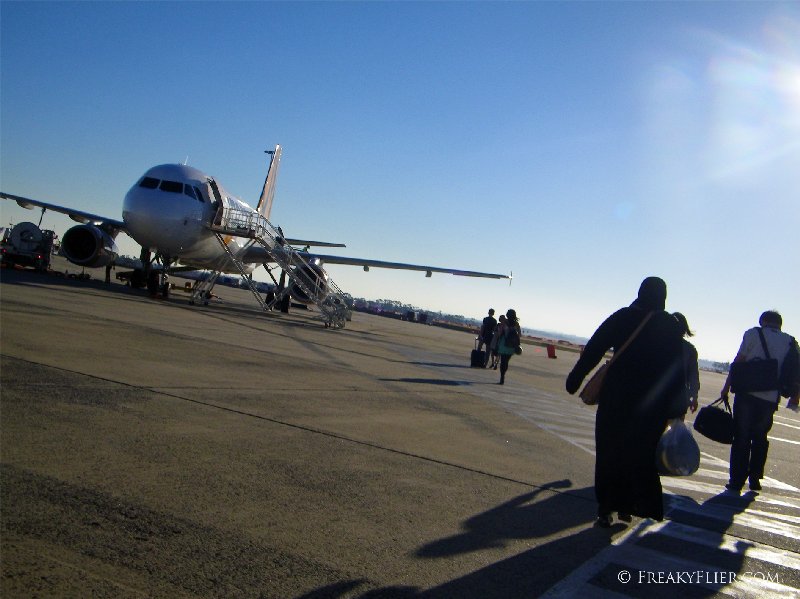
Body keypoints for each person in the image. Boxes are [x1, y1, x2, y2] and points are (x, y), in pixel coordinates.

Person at [565, 277, 686, 527]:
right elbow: (678, 368)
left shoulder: (623, 317)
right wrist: (678, 405)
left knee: (610, 451)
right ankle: (629, 505)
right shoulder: (669, 325)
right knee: (639, 453)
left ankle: (606, 507)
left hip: (617, 397)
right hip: (652, 404)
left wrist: (576, 377)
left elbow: (595, 347)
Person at [720, 311, 800, 494]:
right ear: (780, 324)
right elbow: (795, 370)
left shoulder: (752, 333)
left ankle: (736, 480)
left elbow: (738, 362)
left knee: (741, 436)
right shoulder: (789, 341)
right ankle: (755, 478)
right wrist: (795, 396)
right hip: (770, 397)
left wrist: (726, 387)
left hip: (747, 393)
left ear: (763, 321)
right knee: (760, 437)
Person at [673, 312, 700, 415]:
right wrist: (694, 397)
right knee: (677, 429)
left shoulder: (660, 344)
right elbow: (694, 376)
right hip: (680, 396)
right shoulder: (690, 349)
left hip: (661, 396)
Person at [496, 309, 521, 385]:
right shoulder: (516, 324)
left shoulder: (505, 322)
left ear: (507, 315)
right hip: (512, 346)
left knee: (503, 361)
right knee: (506, 361)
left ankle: (502, 377)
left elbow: (500, 333)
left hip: (504, 344)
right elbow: (519, 335)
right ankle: (504, 375)